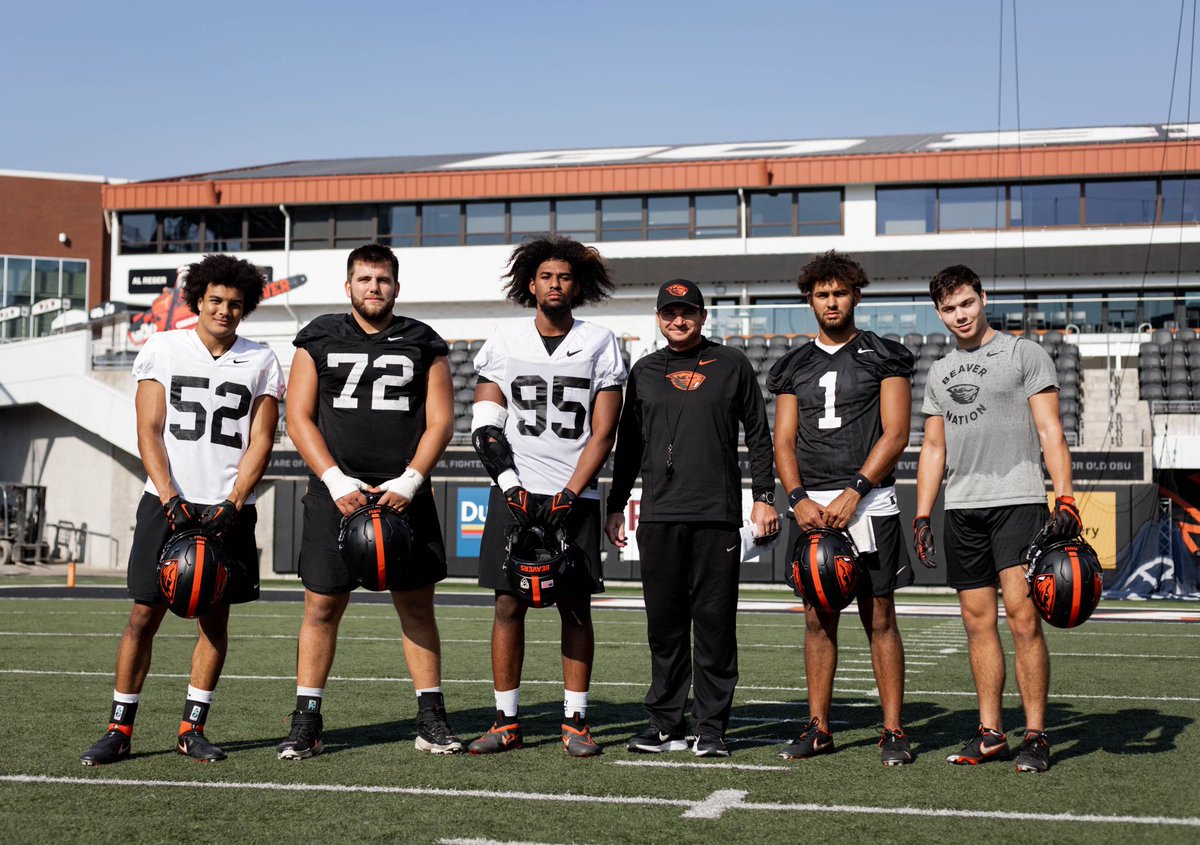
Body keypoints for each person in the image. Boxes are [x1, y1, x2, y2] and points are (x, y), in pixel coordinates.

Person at [80, 254, 284, 765]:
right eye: (215, 300)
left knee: (215, 620)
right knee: (142, 615)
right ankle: (119, 729)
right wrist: (170, 496)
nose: (224, 311)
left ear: (245, 308)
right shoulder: (164, 347)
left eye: (235, 304)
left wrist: (235, 502)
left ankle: (192, 729)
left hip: (227, 509)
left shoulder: (261, 358)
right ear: (197, 300)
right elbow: (148, 430)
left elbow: (262, 439)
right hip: (165, 502)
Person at [276, 242, 460, 759]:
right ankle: (306, 720)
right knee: (321, 606)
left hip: (404, 493)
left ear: (396, 287)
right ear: (348, 286)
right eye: (364, 279)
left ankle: (431, 718)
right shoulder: (318, 335)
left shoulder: (423, 340)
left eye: (382, 280)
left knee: (417, 607)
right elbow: (297, 417)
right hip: (335, 492)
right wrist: (336, 481)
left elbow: (442, 420)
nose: (373, 287)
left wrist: (410, 480)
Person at [915, 264, 1080, 774]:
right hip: (962, 508)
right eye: (949, 309)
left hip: (1018, 500)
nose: (960, 315)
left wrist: (1066, 498)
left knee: (1023, 619)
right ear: (939, 313)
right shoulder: (939, 372)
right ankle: (990, 734)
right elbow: (933, 447)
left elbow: (1051, 431)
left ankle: (1036, 734)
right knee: (976, 622)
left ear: (983, 298)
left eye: (966, 303)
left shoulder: (1023, 354)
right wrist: (922, 514)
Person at [606, 279, 779, 759]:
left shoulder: (732, 363)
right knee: (664, 627)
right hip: (659, 515)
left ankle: (711, 727)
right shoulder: (643, 370)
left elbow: (759, 434)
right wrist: (616, 504)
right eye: (669, 313)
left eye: (687, 312)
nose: (678, 320)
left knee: (715, 626)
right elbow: (629, 446)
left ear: (702, 316)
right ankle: (666, 725)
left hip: (716, 515)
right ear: (659, 319)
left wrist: (764, 497)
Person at [467, 235, 625, 758]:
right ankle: (506, 720)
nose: (555, 285)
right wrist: (509, 484)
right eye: (546, 277)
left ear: (578, 286)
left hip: (574, 495)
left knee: (575, 607)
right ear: (530, 284)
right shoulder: (506, 338)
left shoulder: (600, 341)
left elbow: (604, 432)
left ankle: (575, 721)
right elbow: (486, 423)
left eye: (565, 277)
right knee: (507, 604)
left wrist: (571, 492)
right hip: (514, 490)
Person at [766, 250, 916, 766]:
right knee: (817, 620)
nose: (831, 302)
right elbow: (784, 441)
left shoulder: (884, 354)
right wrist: (797, 498)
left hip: (868, 501)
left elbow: (897, 433)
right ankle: (819, 727)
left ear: (856, 295)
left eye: (840, 293)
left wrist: (855, 490)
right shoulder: (793, 365)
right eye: (822, 294)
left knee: (880, 617)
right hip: (812, 505)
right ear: (809, 300)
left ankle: (893, 729)